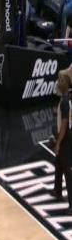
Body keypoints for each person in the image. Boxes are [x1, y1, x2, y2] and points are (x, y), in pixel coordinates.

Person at [51, 72, 72, 215]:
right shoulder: (65, 99)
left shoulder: (65, 101)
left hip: (65, 138)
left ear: (65, 83)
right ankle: (57, 191)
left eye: (60, 80)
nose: (58, 82)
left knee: (67, 172)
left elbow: (64, 123)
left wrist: (58, 142)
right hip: (66, 135)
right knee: (58, 163)